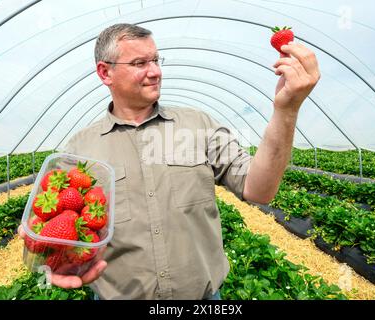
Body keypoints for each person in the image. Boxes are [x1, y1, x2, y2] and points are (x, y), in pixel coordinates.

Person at [19, 23, 320, 299]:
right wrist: (48, 251)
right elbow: (55, 231)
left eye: (156, 60)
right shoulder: (80, 150)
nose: (155, 71)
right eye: (139, 63)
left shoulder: (199, 125)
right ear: (105, 72)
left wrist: (287, 110)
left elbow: (260, 190)